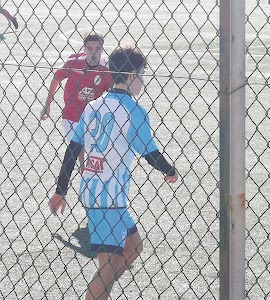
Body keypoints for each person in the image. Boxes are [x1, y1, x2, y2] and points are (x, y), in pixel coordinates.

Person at [48, 44, 178, 300]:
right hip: (108, 199)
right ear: (130, 76)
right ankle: (98, 293)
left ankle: (100, 292)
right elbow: (150, 153)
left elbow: (73, 150)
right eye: (141, 75)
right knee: (107, 268)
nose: (142, 81)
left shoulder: (94, 105)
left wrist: (61, 190)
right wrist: (170, 169)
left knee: (133, 247)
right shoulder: (135, 111)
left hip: (95, 192)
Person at [41, 32, 113, 172]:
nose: (94, 52)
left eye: (97, 48)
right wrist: (47, 105)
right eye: (90, 48)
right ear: (84, 49)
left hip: (93, 118)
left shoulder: (106, 71)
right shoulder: (73, 64)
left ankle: (86, 168)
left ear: (102, 50)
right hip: (71, 116)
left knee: (95, 152)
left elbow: (113, 94)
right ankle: (82, 165)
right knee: (77, 144)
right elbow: (56, 78)